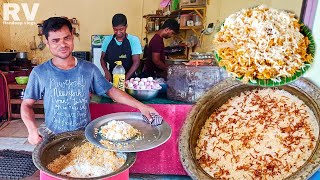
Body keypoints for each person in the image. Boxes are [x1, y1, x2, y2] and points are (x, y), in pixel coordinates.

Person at [21, 17, 158, 145]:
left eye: (66, 38)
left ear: (72, 36)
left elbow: (111, 91)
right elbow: (26, 105)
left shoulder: (89, 69)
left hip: (85, 136)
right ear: (47, 42)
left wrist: (141, 106)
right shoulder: (40, 72)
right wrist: (32, 130)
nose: (62, 44)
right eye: (55, 40)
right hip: (53, 137)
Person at [100, 13, 142, 81]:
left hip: (130, 80)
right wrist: (106, 72)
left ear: (126, 26)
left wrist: (124, 80)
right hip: (112, 78)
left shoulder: (134, 40)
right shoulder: (107, 40)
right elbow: (102, 58)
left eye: (121, 29)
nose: (118, 32)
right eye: (115, 29)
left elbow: (136, 62)